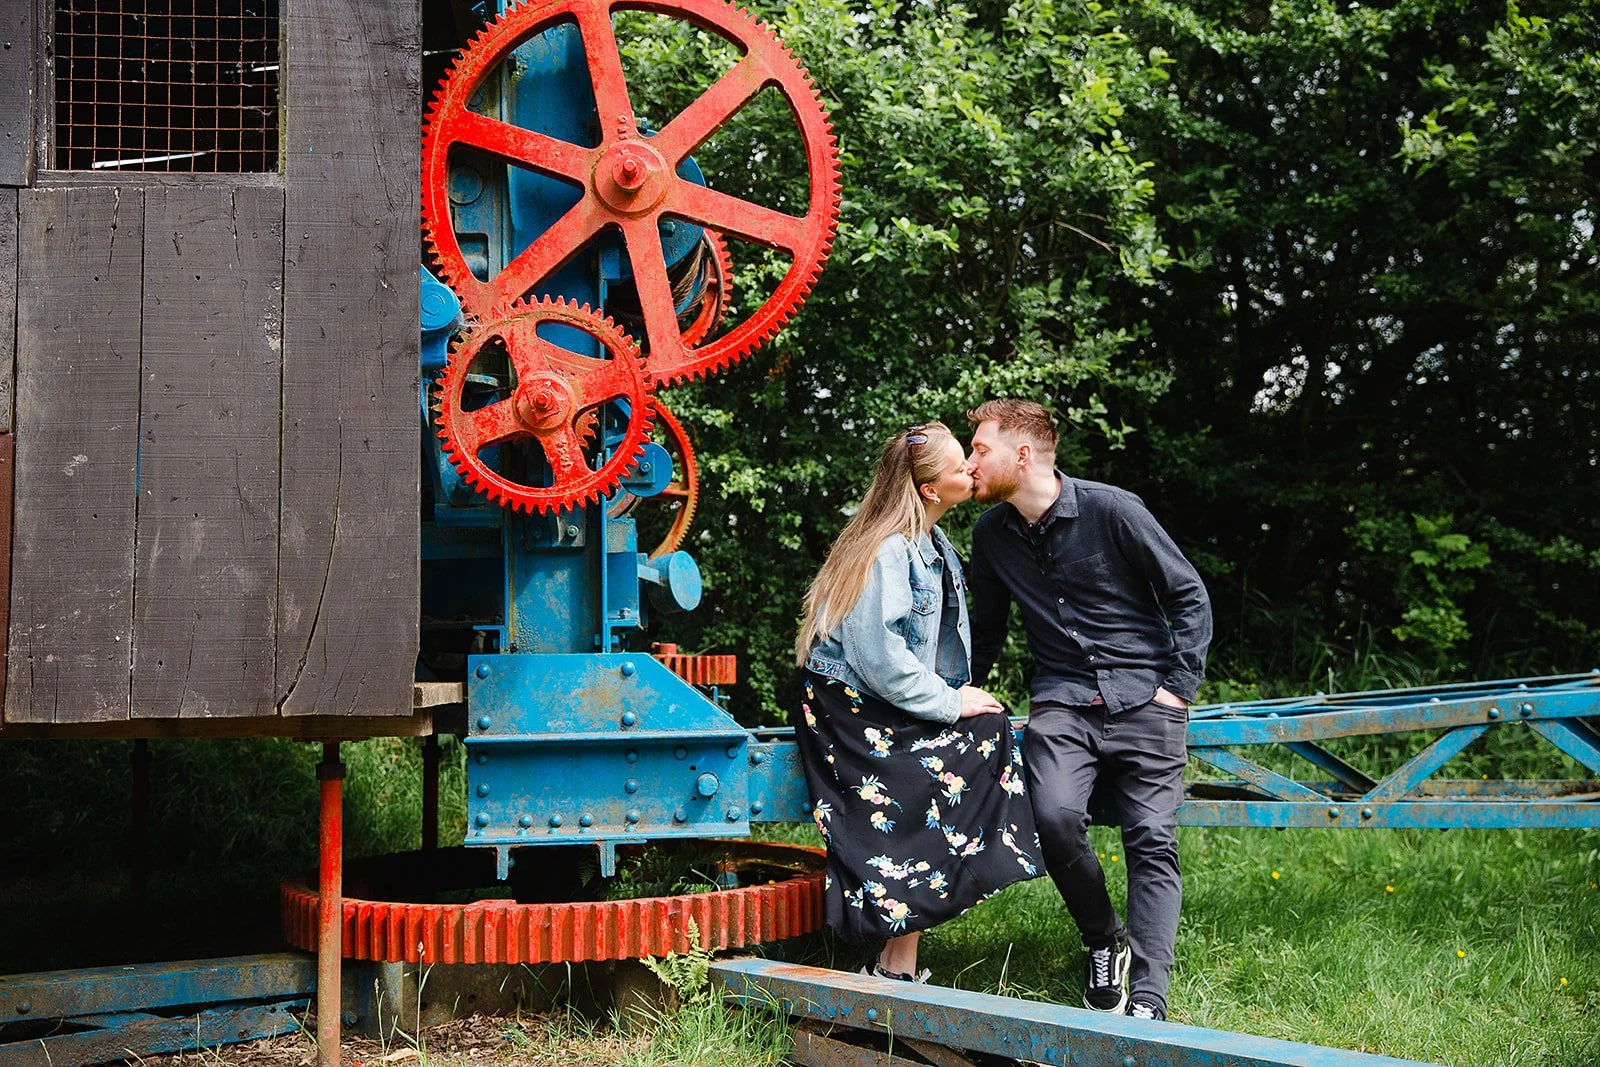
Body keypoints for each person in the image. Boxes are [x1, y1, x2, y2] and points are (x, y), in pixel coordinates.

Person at [965, 398, 1211, 1021]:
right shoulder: (991, 535)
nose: (970, 462)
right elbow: (987, 628)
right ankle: (1104, 939)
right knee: (1051, 819)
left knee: (1152, 835)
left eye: (979, 448)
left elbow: (1187, 593)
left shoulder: (1113, 509)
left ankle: (1149, 1001)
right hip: (1063, 706)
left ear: (1021, 456)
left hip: (1146, 700)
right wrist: (956, 693)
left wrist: (1178, 686)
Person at [795, 421, 1041, 982]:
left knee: (986, 734)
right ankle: (898, 959)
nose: (974, 470)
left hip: (883, 698)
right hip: (848, 708)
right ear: (930, 490)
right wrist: (950, 703)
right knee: (937, 768)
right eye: (962, 466)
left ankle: (897, 958)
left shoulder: (932, 541)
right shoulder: (888, 550)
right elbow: (880, 661)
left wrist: (955, 701)